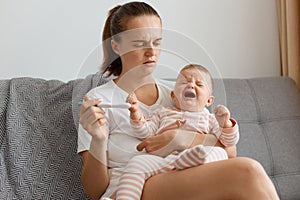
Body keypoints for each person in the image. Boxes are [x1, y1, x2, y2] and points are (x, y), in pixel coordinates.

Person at [78, 1, 280, 200]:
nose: (151, 51)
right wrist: (98, 140)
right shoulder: (99, 100)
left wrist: (181, 138)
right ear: (116, 46)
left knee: (245, 177)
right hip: (133, 187)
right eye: (139, 43)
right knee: (248, 173)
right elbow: (94, 191)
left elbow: (229, 151)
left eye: (157, 42)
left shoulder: (179, 92)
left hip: (182, 176)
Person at [116, 64, 239, 200]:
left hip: (196, 163)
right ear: (173, 96)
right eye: (184, 82)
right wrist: (135, 114)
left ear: (209, 100)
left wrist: (225, 123)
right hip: (162, 160)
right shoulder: (162, 113)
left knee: (220, 152)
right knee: (137, 162)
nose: (191, 86)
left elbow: (228, 142)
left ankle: (190, 157)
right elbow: (146, 133)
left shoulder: (209, 119)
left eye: (199, 84)